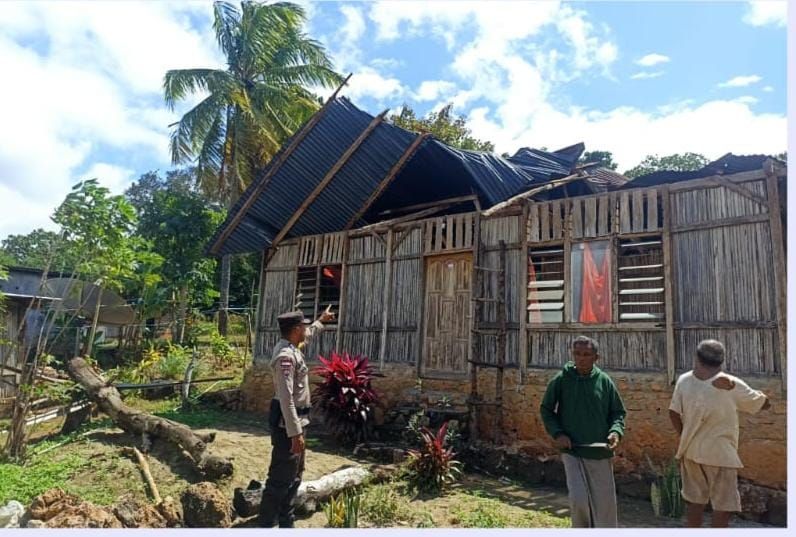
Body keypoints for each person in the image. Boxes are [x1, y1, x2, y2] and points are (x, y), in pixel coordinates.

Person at [669, 339, 770, 528]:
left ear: (696, 358)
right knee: (723, 507)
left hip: (691, 452)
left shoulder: (684, 381)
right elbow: (764, 404)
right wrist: (735, 387)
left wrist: (684, 436)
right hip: (720, 454)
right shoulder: (730, 384)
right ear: (722, 361)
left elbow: (673, 412)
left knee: (694, 503)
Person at [258, 306, 334, 528]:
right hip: (288, 423)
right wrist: (295, 433)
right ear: (295, 329)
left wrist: (321, 321)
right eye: (303, 326)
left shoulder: (292, 347)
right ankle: (265, 523)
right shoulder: (285, 357)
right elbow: (286, 398)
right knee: (281, 477)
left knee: (295, 474)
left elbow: (309, 335)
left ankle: (285, 520)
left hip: (298, 421)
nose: (306, 329)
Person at [540, 336, 626, 528]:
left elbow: (618, 413)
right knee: (579, 500)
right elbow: (546, 409)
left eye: (587, 354)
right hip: (573, 451)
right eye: (577, 354)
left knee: (604, 506)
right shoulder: (562, 380)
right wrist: (558, 433)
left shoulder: (604, 381)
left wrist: (615, 432)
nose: (581, 358)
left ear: (597, 357)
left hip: (599, 451)